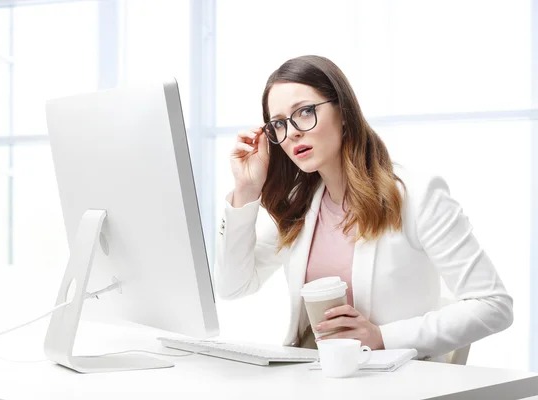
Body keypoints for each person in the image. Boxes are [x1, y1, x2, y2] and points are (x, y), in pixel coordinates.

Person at [214, 55, 513, 361]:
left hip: (394, 383)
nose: (292, 133)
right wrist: (246, 191)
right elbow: (232, 287)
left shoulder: (416, 196)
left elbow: (494, 305)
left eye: (304, 112)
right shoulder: (299, 205)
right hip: (313, 379)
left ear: (343, 113)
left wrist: (383, 338)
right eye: (279, 123)